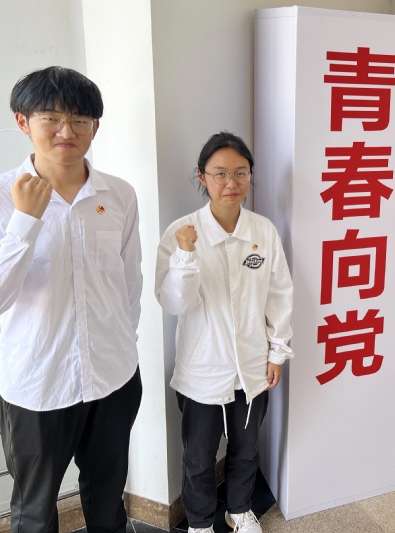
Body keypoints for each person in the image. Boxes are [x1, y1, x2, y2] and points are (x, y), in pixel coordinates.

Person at [0, 66, 143, 533]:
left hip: (114, 376)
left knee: (108, 498)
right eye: (51, 118)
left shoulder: (119, 195)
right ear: (23, 121)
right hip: (39, 384)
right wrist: (25, 221)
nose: (67, 131)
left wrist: (124, 343)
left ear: (95, 127)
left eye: (80, 120)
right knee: (34, 511)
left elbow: (129, 282)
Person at [155, 132, 293, 533]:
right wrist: (185, 255)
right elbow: (174, 303)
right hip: (202, 368)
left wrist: (277, 351)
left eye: (240, 173)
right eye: (220, 173)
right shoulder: (182, 232)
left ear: (250, 175)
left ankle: (239, 510)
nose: (231, 183)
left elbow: (279, 294)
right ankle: (200, 523)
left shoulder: (263, 231)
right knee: (198, 456)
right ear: (202, 176)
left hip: (253, 363)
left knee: (246, 449)